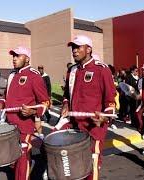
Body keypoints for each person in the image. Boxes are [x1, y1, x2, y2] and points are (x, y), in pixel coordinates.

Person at [57, 35, 116, 180]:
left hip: (94, 126)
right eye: (73, 48)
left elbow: (110, 100)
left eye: (78, 47)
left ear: (88, 49)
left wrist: (104, 117)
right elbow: (66, 94)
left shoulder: (102, 69)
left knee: (91, 163)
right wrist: (65, 104)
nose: (74, 51)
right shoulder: (72, 70)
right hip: (74, 124)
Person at [0, 46, 50, 180]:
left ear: (27, 58)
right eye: (13, 56)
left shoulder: (34, 75)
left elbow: (45, 102)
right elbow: (6, 96)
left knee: (22, 157)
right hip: (10, 125)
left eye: (18, 56)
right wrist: (1, 102)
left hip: (25, 126)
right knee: (14, 159)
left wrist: (33, 111)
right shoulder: (12, 74)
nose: (14, 59)